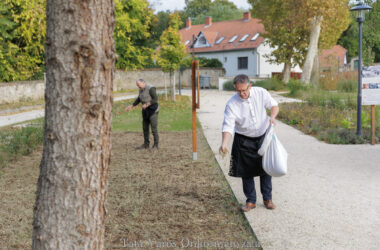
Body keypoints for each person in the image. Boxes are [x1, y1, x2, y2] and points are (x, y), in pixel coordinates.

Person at [219, 74, 279, 212]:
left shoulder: (261, 92)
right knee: (246, 172)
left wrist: (272, 117)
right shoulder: (232, 104)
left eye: (244, 90)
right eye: (238, 91)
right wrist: (224, 144)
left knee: (266, 168)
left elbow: (274, 105)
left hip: (263, 136)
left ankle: (267, 199)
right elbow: (228, 126)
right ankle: (250, 201)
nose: (241, 93)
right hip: (244, 139)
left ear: (250, 85)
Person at [125, 79, 159, 150]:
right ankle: (146, 145)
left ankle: (156, 145)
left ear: (144, 83)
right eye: (137, 85)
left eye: (139, 85)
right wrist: (132, 105)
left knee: (154, 129)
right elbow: (139, 99)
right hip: (145, 111)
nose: (138, 86)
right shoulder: (141, 89)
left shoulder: (151, 88)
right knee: (145, 128)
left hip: (153, 110)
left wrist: (147, 104)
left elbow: (155, 99)